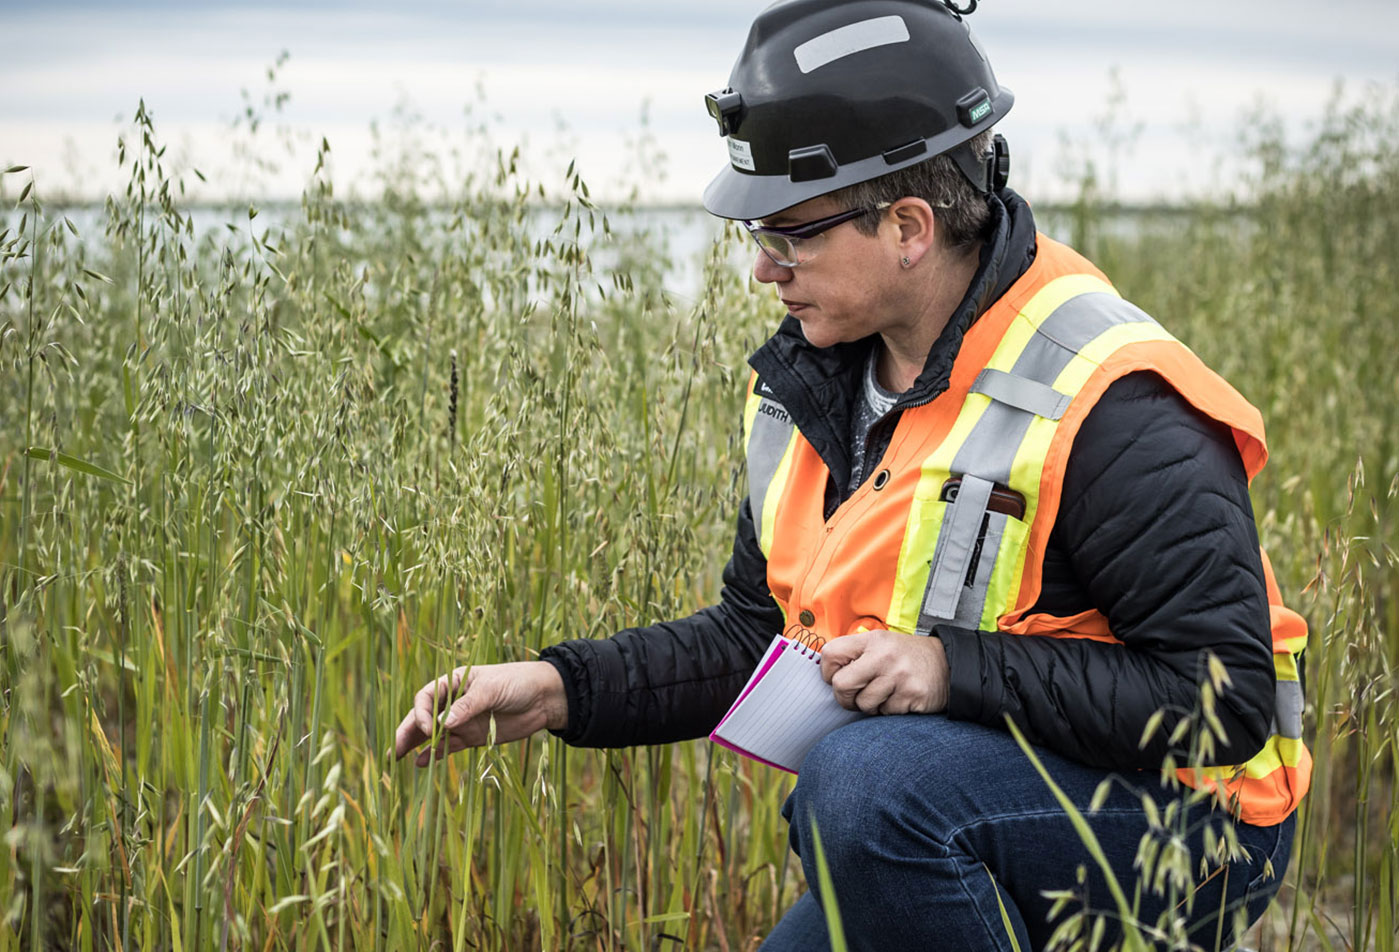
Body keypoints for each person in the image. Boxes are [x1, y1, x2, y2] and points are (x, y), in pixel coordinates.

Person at [395, 1, 1312, 948]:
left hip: (1193, 831)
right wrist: (556, 689)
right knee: (870, 793)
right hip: (953, 793)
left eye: (791, 236)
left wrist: (948, 670)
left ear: (907, 225)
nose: (763, 269)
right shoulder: (811, 386)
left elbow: (1222, 701)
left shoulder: (1109, 399)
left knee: (864, 786)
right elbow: (758, 636)